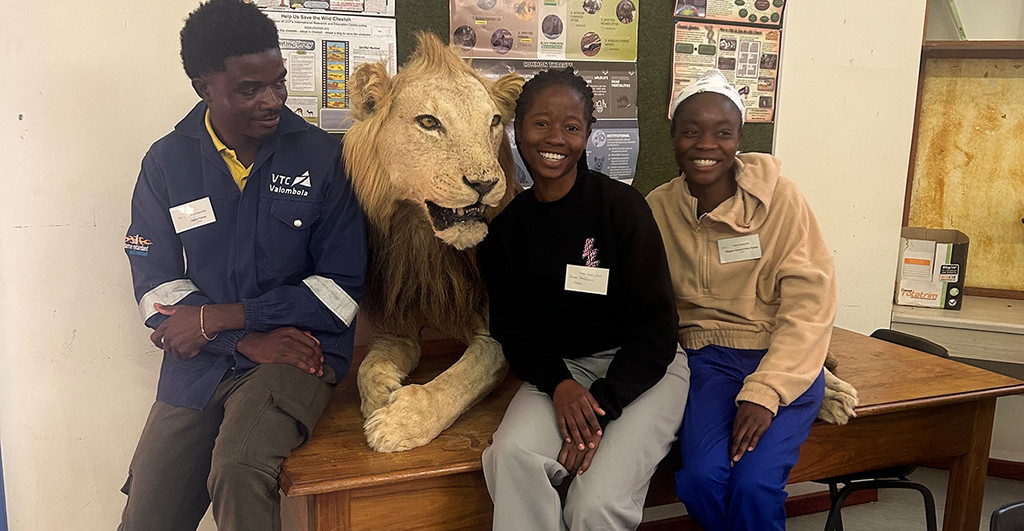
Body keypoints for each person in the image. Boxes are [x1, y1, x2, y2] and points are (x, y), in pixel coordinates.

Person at [118, 1, 366, 529]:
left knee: (238, 470)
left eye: (279, 82)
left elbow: (341, 290)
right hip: (203, 363)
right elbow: (156, 285)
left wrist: (225, 318)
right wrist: (240, 338)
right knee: (147, 508)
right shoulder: (167, 162)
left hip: (297, 352)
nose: (272, 101)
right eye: (249, 89)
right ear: (203, 88)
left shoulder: (322, 157)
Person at [478, 67, 689, 530]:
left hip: (645, 369)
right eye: (541, 123)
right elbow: (514, 331)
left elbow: (657, 331)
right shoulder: (507, 231)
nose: (555, 138)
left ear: (587, 135)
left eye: (571, 127)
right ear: (518, 130)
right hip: (564, 372)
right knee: (511, 454)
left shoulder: (621, 208)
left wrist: (599, 409)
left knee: (596, 503)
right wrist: (560, 384)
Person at [646, 69, 837, 530]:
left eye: (723, 133)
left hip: (780, 361)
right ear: (672, 138)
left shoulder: (783, 200)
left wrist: (766, 391)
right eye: (691, 132)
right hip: (704, 363)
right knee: (700, 479)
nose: (706, 145)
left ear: (739, 139)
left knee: (754, 484)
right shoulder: (656, 208)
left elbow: (810, 304)